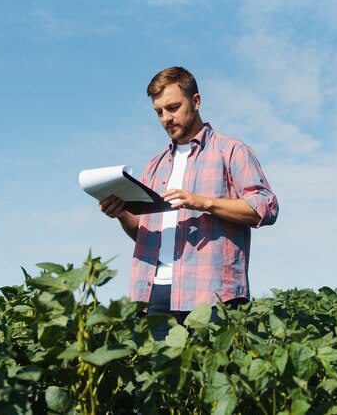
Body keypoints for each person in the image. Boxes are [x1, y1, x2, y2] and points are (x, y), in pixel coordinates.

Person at [99, 66, 278, 340]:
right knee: (158, 382)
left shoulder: (231, 151)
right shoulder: (155, 165)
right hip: (154, 295)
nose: (166, 118)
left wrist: (201, 202)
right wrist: (122, 213)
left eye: (172, 107)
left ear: (196, 102)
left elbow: (265, 207)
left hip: (212, 295)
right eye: (159, 112)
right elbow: (143, 235)